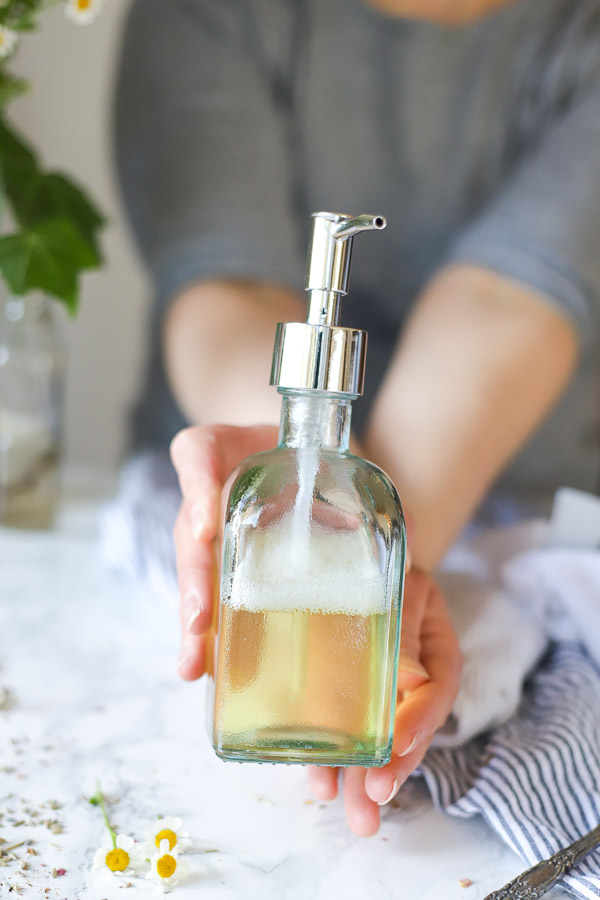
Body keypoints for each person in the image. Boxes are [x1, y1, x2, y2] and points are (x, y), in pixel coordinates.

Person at [114, 0, 600, 836]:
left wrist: (381, 561)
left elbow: (503, 301)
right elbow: (225, 285)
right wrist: (292, 516)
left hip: (520, 513)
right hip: (224, 459)